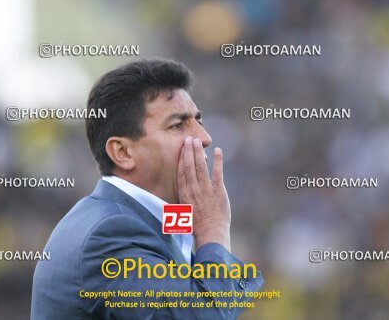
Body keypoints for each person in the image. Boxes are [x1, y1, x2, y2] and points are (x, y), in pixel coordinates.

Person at [31, 59, 264, 319]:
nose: (204, 138)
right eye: (177, 125)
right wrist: (214, 232)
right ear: (123, 152)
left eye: (199, 121)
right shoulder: (109, 235)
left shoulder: (145, 220)